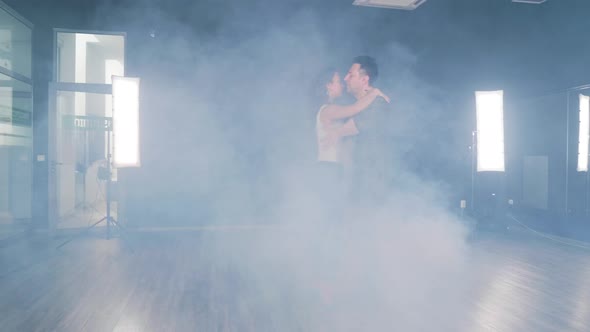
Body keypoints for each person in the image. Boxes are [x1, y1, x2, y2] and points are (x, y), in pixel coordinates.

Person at [313, 67, 389, 221]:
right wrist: (374, 93)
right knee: (331, 217)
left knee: (337, 216)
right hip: (329, 169)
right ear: (328, 85)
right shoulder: (327, 110)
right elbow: (355, 109)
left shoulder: (332, 109)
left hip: (334, 168)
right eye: (337, 82)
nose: (342, 84)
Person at [342, 56, 393, 209]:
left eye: (351, 74)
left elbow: (353, 129)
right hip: (356, 181)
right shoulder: (359, 103)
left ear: (364, 79)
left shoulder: (378, 103)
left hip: (370, 184)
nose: (346, 78)